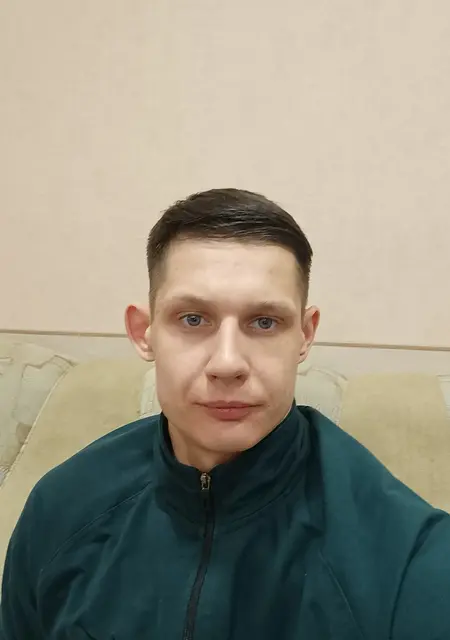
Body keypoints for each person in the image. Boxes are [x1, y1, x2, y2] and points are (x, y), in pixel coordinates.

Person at [1, 188, 449, 640]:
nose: (228, 363)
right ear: (144, 332)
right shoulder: (61, 508)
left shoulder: (409, 559)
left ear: (305, 335)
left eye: (264, 322)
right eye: (193, 319)